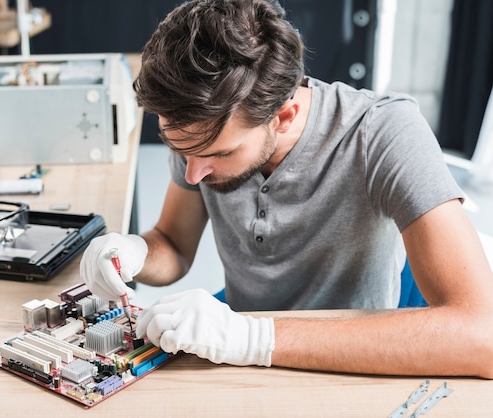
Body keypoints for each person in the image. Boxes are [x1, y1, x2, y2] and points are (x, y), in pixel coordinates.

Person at [81, 0, 493, 377]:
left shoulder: (383, 132)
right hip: (241, 338)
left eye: (218, 154)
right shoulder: (199, 129)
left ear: (283, 114)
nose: (193, 175)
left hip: (355, 352)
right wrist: (132, 254)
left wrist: (255, 338)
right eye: (179, 148)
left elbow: (481, 335)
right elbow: (173, 243)